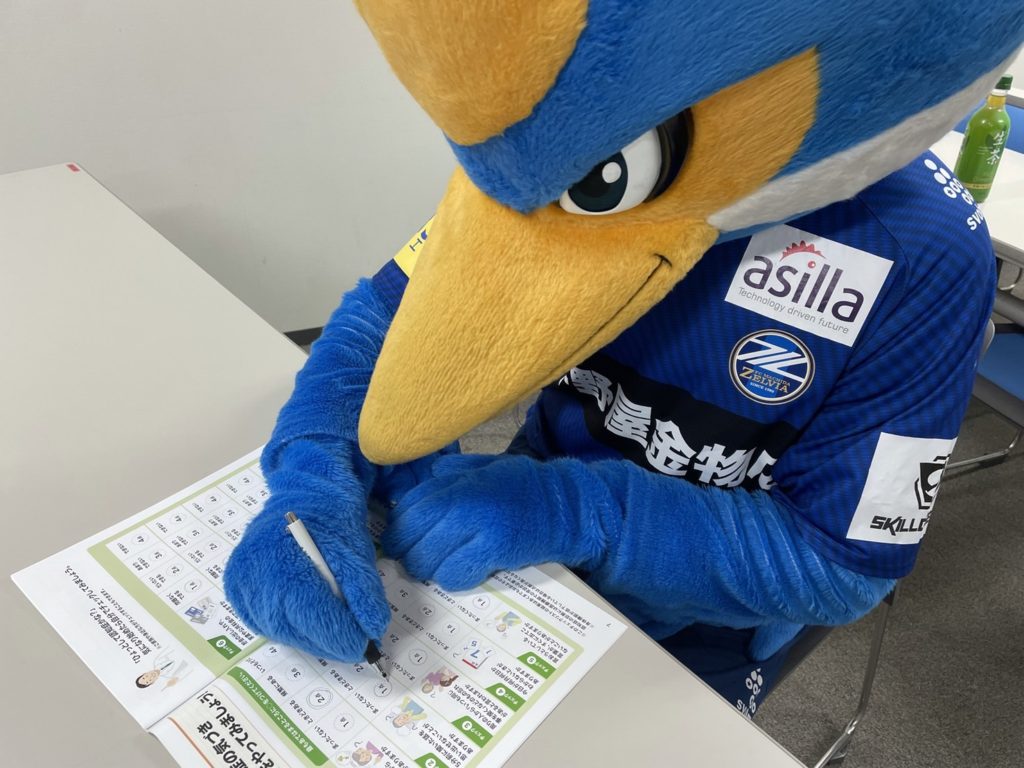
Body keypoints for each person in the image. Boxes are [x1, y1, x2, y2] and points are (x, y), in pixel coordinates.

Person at [224, 0, 1022, 714]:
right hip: (515, 530)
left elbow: (840, 566)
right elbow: (381, 320)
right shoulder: (568, 131)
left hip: (698, 621)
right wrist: (312, 476)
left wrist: (583, 512)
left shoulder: (926, 253)